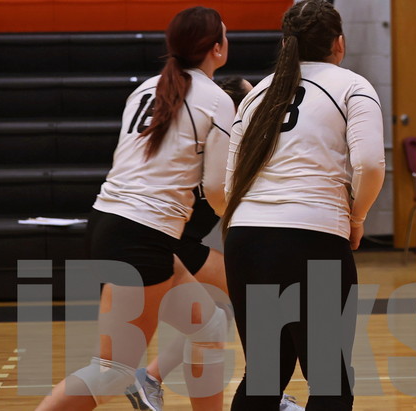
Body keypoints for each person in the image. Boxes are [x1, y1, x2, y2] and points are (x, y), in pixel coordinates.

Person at [37, 7, 234, 411]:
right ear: (217, 48)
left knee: (210, 326)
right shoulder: (217, 99)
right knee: (112, 371)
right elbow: (216, 188)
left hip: (111, 222)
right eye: (225, 36)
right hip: (139, 235)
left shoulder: (146, 88)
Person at [222, 0, 384, 409]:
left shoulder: (257, 94)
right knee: (329, 378)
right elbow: (369, 164)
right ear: (339, 43)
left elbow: (231, 182)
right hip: (312, 239)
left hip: (247, 241)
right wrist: (357, 217)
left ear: (285, 43)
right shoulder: (352, 86)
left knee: (264, 375)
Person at [126, 76, 308, 411]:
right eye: (252, 99)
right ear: (236, 109)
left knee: (215, 318)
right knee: (256, 300)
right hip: (170, 240)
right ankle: (266, 389)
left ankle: (151, 377)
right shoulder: (221, 144)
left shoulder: (220, 140)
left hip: (175, 240)